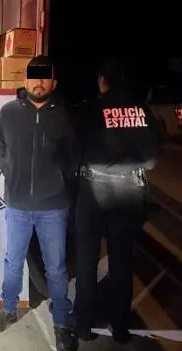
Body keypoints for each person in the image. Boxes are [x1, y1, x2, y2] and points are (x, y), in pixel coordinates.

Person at [0, 55, 79, 351]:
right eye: (34, 76)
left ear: (54, 82)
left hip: (53, 207)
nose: (38, 83)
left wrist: (57, 182)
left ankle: (62, 322)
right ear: (25, 80)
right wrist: (13, 174)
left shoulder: (64, 117)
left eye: (44, 77)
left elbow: (73, 158)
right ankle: (8, 308)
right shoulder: (8, 113)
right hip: (17, 205)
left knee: (56, 267)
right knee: (13, 261)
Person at [73, 59, 160, 344]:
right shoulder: (142, 112)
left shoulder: (89, 110)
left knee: (86, 261)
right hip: (127, 194)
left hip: (93, 192)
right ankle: (120, 328)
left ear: (102, 80)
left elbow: (75, 151)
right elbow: (151, 160)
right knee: (121, 263)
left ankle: (83, 326)